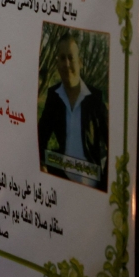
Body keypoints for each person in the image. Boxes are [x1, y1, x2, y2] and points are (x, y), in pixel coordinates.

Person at [37, 32, 109, 190]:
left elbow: (113, 144)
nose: (67, 64)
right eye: (62, 58)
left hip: (93, 188)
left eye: (71, 58)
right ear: (57, 63)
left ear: (80, 62)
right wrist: (41, 165)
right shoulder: (53, 97)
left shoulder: (95, 99)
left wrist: (105, 183)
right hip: (63, 185)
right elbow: (39, 138)